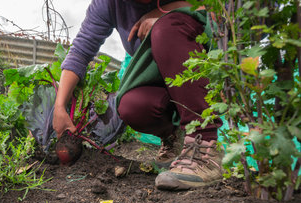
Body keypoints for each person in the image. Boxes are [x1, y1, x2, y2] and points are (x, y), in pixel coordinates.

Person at [52, 0, 224, 190]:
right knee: (131, 106)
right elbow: (81, 51)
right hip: (161, 82)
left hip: (198, 70)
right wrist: (59, 106)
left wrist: (165, 14)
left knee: (165, 29)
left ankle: (204, 147)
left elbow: (216, 7)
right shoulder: (108, 4)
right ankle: (173, 137)